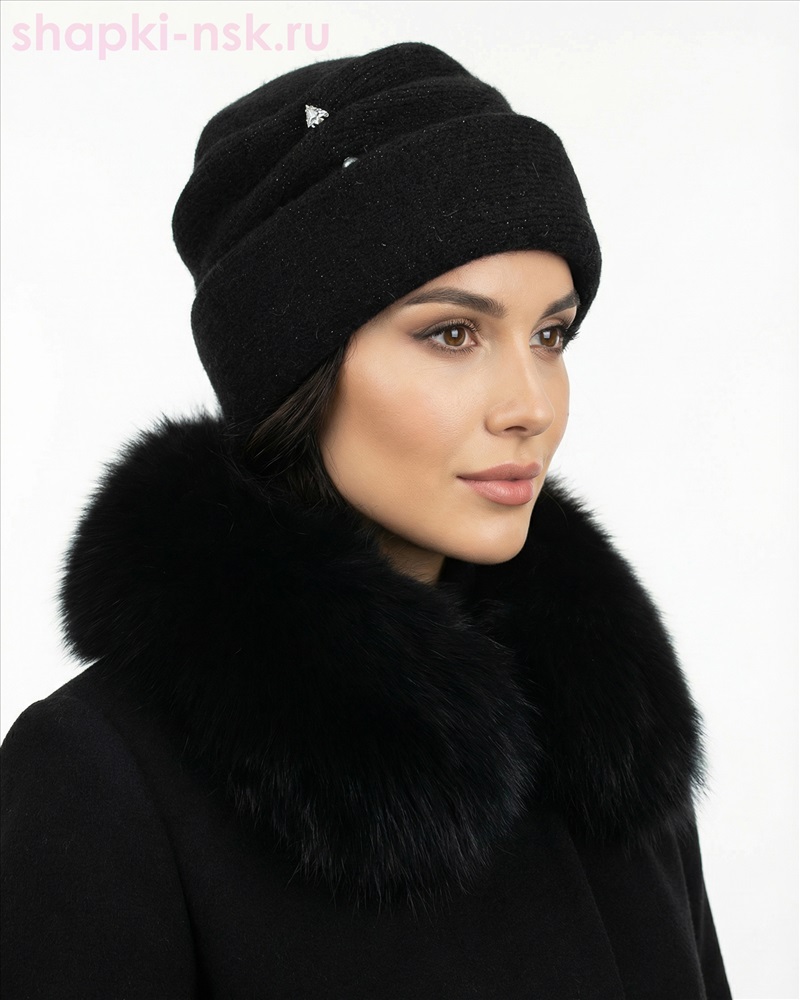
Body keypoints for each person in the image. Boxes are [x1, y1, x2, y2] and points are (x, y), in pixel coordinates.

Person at [0, 42, 731, 999]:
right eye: (452, 333)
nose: (531, 405)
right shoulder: (101, 781)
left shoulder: (610, 739)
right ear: (294, 367)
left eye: (551, 335)